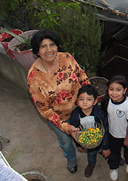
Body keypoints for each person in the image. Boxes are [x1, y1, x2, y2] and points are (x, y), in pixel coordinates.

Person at [27, 28, 89, 173]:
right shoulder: (34, 79)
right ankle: (71, 159)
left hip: (80, 108)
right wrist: (66, 127)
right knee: (66, 142)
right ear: (37, 51)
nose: (49, 50)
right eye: (43, 46)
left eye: (52, 44)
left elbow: (81, 75)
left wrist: (88, 97)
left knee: (86, 131)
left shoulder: (66, 58)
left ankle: (84, 145)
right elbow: (44, 110)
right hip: (60, 119)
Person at [69, 85, 110, 177]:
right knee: (91, 154)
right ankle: (91, 164)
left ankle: (111, 156)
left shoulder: (99, 113)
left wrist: (106, 147)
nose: (84, 102)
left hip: (101, 140)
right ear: (77, 100)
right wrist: (78, 144)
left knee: (106, 150)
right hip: (89, 144)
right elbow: (74, 132)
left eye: (89, 99)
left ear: (95, 101)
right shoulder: (75, 115)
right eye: (81, 99)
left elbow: (106, 129)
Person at [105, 75, 128, 181]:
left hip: (126, 135)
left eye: (118, 90)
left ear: (124, 90)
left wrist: (127, 138)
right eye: (111, 89)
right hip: (113, 133)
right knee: (114, 152)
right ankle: (113, 167)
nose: (114, 93)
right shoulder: (109, 100)